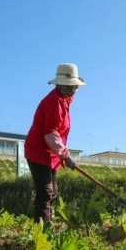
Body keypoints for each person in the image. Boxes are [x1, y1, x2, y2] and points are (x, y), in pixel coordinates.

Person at [24, 63, 85, 224]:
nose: (75, 90)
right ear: (62, 85)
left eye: (75, 87)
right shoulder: (53, 103)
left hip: (51, 154)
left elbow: (58, 133)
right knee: (45, 191)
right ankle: (42, 229)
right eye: (72, 87)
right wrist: (66, 155)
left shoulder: (65, 99)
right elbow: (50, 134)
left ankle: (48, 220)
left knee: (53, 191)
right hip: (38, 152)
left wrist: (62, 154)